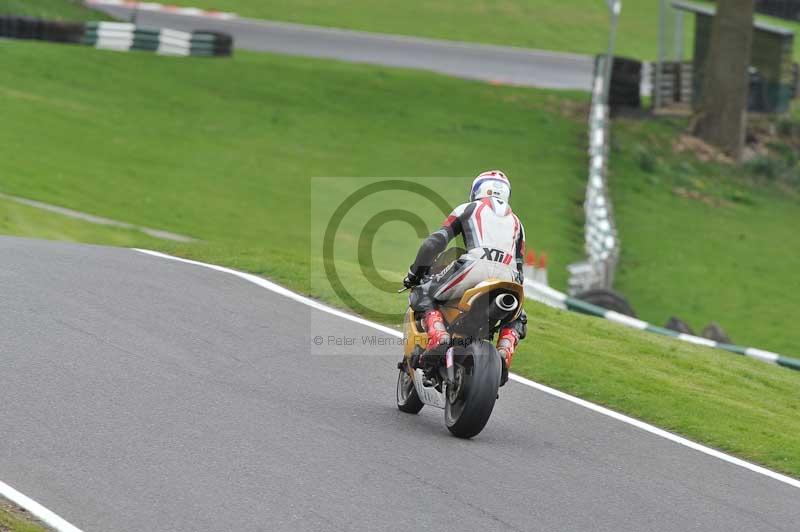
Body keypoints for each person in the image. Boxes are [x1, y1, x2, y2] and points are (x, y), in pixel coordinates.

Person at [403, 171, 528, 381]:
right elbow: (520, 269)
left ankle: (438, 336)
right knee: (517, 316)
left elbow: (434, 243)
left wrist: (414, 273)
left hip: (473, 266)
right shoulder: (518, 224)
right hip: (510, 276)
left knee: (423, 292)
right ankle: (505, 350)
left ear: (477, 189)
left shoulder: (468, 208)